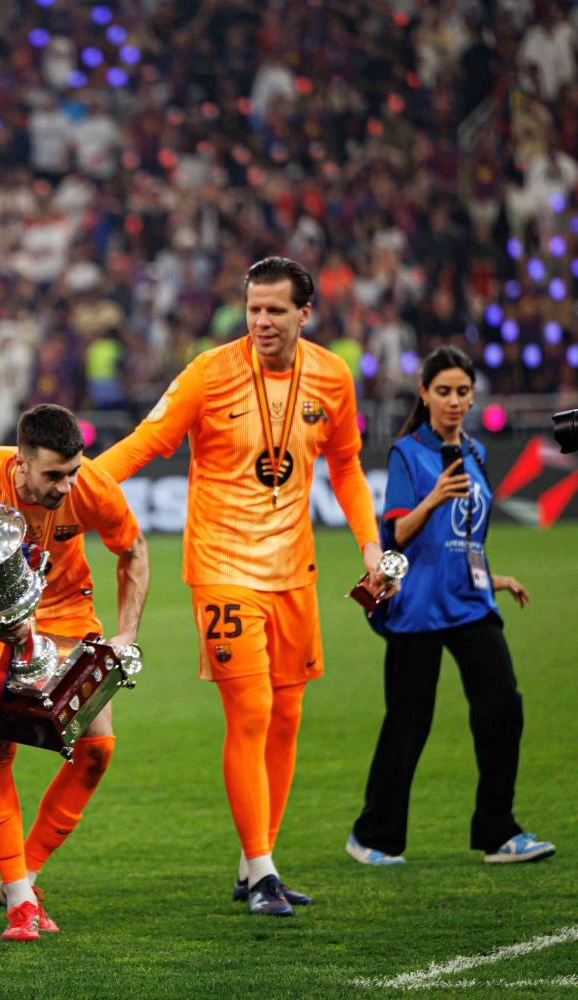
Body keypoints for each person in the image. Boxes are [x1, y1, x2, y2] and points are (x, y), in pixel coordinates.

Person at [90, 256, 392, 917]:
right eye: (254, 308)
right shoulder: (210, 372)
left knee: (287, 719)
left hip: (294, 571)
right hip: (222, 567)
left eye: (275, 310)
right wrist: (75, 485)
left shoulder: (332, 377)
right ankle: (261, 873)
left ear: (304, 314)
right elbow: (145, 443)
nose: (261, 321)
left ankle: (256, 859)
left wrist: (370, 546)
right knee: (251, 711)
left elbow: (346, 467)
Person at [0, 404, 150, 940]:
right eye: (54, 475)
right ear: (21, 462)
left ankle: (24, 875)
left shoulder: (91, 486)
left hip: (67, 611)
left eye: (72, 472)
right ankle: (20, 902)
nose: (65, 486)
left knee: (97, 748)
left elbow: (133, 550)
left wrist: (126, 635)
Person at [347, 347, 553, 867]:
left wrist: (493, 578)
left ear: (472, 396)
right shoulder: (407, 453)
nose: (454, 401)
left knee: (502, 708)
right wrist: (435, 495)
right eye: (443, 391)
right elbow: (398, 532)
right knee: (409, 724)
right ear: (424, 394)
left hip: (470, 603)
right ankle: (372, 836)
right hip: (417, 606)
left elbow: (464, 538)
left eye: (463, 391)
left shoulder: (476, 453)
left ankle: (498, 831)